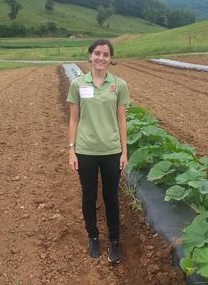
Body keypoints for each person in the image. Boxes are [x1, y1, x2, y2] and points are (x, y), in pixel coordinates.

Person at [67, 39, 130, 263]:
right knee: (89, 195)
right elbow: (73, 120)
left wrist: (124, 151)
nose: (101, 58)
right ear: (90, 56)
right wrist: (72, 150)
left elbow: (122, 120)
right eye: (97, 53)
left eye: (105, 54)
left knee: (111, 197)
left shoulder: (119, 85)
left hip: (111, 150)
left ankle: (114, 241)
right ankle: (93, 237)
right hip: (86, 150)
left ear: (111, 58)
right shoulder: (78, 84)